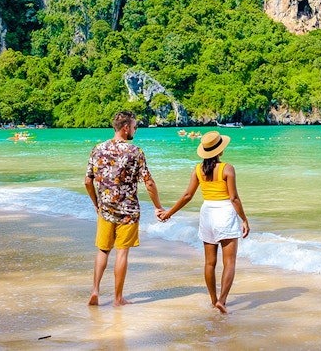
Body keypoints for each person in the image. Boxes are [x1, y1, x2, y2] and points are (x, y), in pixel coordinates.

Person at [159, 130, 249, 313]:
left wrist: (169, 213)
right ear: (220, 150)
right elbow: (234, 198)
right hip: (224, 214)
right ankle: (222, 301)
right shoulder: (227, 168)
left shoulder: (198, 170)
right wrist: (244, 219)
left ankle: (213, 299)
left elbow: (187, 196)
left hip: (207, 214)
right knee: (229, 262)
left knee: (209, 263)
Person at [85, 111, 164, 307]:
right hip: (128, 211)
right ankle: (118, 298)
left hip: (105, 209)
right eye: (135, 127)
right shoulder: (135, 152)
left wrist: (96, 203)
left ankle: (95, 290)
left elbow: (88, 181)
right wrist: (158, 207)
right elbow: (149, 183)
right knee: (121, 253)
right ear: (126, 127)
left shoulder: (97, 149)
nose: (136, 131)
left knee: (103, 250)